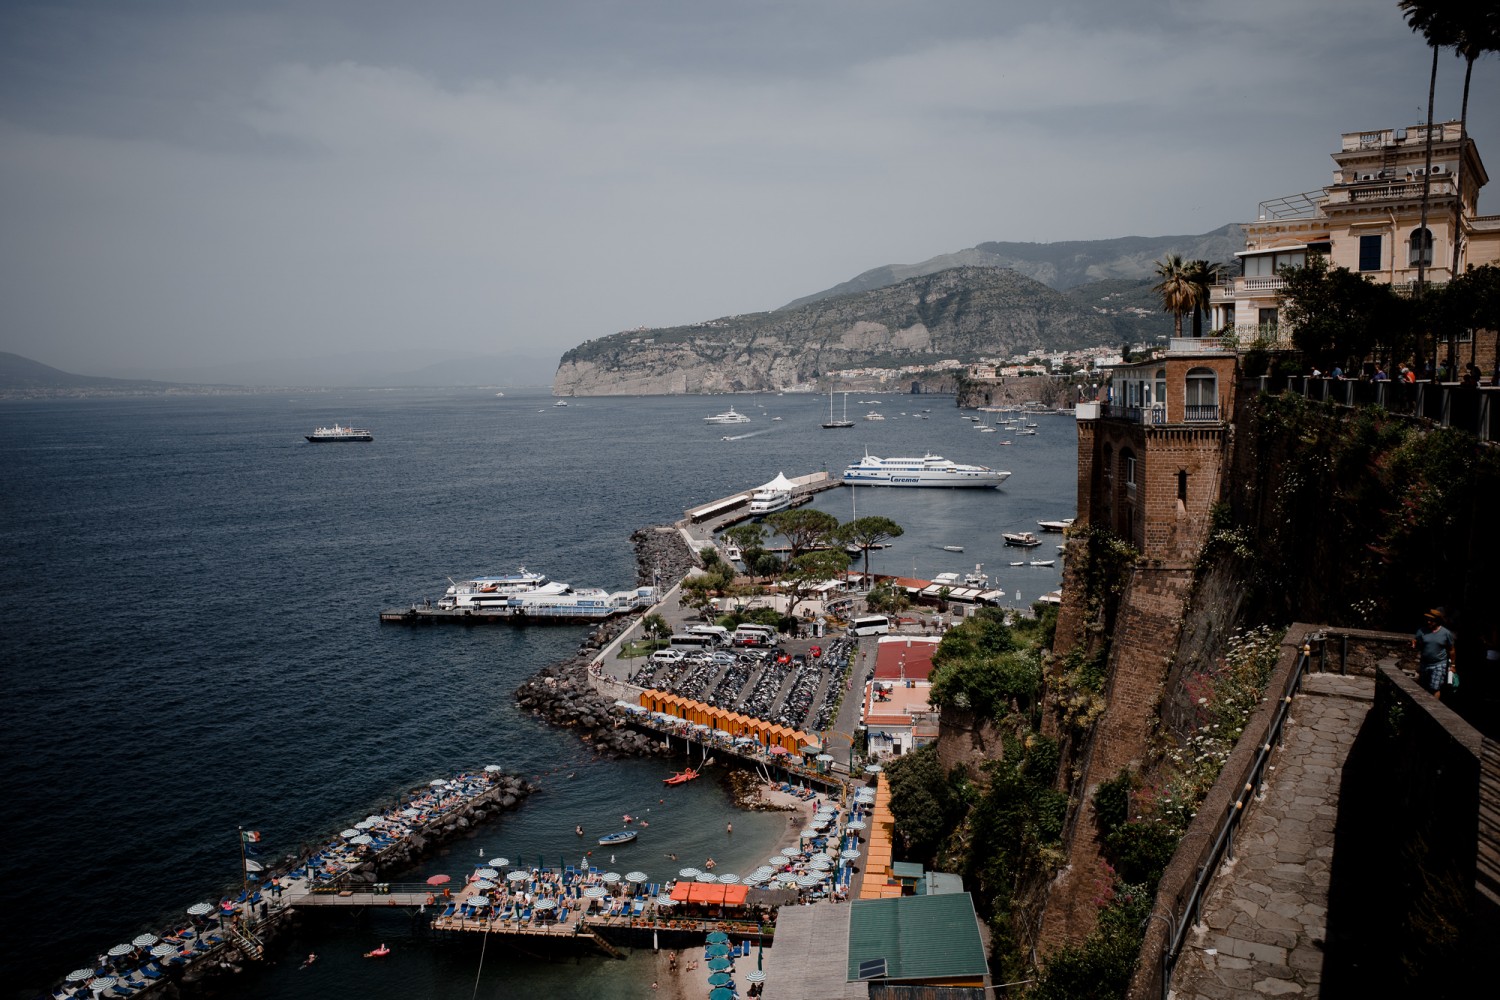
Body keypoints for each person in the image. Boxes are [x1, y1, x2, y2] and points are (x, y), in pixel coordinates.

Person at [1413, 609, 1456, 698]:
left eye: (1431, 620)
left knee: (1435, 688)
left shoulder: (1446, 633)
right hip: (1425, 663)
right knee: (1423, 686)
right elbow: (1417, 642)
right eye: (1428, 619)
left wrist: (1452, 665)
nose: (1429, 622)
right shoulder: (1422, 631)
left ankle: (1434, 706)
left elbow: (1451, 650)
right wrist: (1414, 644)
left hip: (1439, 663)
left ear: (1437, 621)